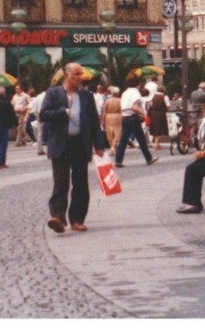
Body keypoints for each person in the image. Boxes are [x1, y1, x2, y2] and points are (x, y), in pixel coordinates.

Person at [39, 63, 106, 233]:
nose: (80, 77)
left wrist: (99, 145)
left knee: (81, 183)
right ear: (66, 75)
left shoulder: (86, 95)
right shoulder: (53, 93)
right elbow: (43, 114)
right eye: (76, 74)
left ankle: (77, 219)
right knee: (61, 182)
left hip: (79, 144)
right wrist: (63, 112)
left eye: (81, 74)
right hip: (61, 143)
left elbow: (94, 122)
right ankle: (58, 218)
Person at [115, 77, 158, 168]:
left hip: (124, 117)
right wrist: (143, 114)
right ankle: (149, 158)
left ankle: (118, 160)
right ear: (138, 84)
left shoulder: (125, 92)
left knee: (123, 140)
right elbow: (134, 107)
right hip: (133, 118)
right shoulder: (135, 92)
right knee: (141, 139)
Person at [101, 87, 122, 156]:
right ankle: (113, 146)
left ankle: (112, 146)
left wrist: (103, 120)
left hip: (109, 116)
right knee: (117, 131)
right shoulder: (120, 100)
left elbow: (104, 111)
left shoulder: (107, 101)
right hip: (118, 116)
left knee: (110, 131)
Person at [148, 85, 170, 150]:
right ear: (163, 90)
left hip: (153, 113)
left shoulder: (153, 96)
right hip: (161, 113)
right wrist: (165, 109)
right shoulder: (165, 97)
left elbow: (149, 104)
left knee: (155, 128)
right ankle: (156, 143)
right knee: (159, 129)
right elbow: (168, 106)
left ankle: (157, 143)